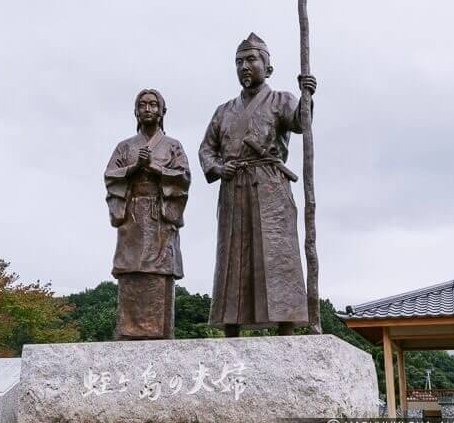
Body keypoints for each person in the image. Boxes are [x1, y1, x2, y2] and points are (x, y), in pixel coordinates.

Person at [199, 33, 317, 337]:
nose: (244, 66)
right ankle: (231, 327)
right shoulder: (223, 111)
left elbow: (301, 124)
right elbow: (206, 150)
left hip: (270, 187)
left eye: (251, 60)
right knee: (233, 256)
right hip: (234, 185)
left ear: (268, 67)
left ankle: (286, 326)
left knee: (277, 254)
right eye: (239, 62)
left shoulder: (281, 100)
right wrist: (218, 167)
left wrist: (307, 96)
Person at [105, 89, 190, 340]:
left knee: (159, 270)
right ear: (136, 111)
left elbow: (183, 177)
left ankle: (158, 332)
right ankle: (128, 331)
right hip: (132, 215)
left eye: (154, 105)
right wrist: (135, 168)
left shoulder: (173, 146)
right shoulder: (124, 147)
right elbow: (111, 176)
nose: (148, 109)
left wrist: (154, 167)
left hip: (159, 216)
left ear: (162, 111)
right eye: (142, 105)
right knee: (130, 268)